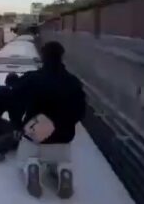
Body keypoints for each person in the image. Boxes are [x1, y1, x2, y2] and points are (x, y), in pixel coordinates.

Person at [11, 41, 86, 199]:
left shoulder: (32, 78)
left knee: (24, 159)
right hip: (63, 136)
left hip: (36, 134)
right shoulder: (73, 82)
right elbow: (80, 112)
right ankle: (64, 170)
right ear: (61, 57)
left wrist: (17, 124)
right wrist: (64, 124)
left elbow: (14, 100)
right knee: (60, 159)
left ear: (43, 57)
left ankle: (32, 167)